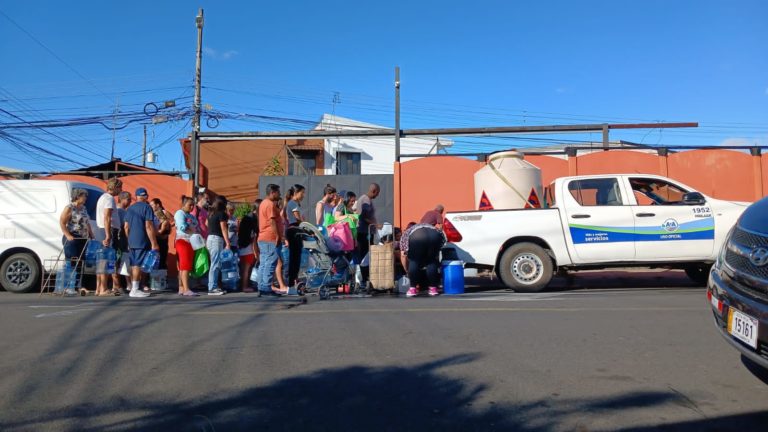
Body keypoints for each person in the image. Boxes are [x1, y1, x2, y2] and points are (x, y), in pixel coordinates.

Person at [123, 187, 159, 298]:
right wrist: (154, 242)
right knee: (138, 265)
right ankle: (134, 289)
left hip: (132, 241)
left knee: (134, 264)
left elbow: (126, 227)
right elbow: (148, 226)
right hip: (141, 240)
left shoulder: (130, 208)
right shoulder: (147, 207)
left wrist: (129, 239)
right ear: (145, 196)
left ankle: (134, 288)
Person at [59, 188, 94, 294]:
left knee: (81, 261)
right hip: (72, 237)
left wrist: (91, 233)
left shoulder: (83, 208)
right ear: (78, 196)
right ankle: (68, 286)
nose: (86, 198)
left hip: (82, 237)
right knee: (72, 260)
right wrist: (68, 235)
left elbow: (86, 222)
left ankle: (79, 286)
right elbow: (62, 222)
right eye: (84, 196)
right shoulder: (69, 208)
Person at [399, 222, 446, 298]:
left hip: (418, 237)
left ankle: (412, 289)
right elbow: (442, 241)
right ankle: (433, 289)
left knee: (414, 261)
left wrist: (406, 270)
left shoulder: (407, 233)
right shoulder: (430, 227)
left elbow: (403, 256)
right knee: (431, 261)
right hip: (436, 235)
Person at [95, 178, 122, 296]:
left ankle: (99, 288)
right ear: (115, 187)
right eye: (120, 187)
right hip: (107, 230)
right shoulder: (109, 199)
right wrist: (108, 235)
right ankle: (103, 289)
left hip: (101, 229)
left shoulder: (102, 197)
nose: (121, 190)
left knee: (101, 260)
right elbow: (107, 217)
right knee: (108, 260)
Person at [257, 184, 284, 297]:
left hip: (264, 238)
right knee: (270, 263)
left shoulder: (264, 203)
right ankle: (266, 288)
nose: (279, 194)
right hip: (269, 238)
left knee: (264, 263)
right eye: (278, 192)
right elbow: (272, 222)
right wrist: (277, 236)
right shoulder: (269, 204)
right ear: (272, 192)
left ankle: (262, 287)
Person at [353, 183, 381, 285]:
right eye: (377, 193)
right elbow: (363, 217)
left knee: (367, 255)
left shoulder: (367, 200)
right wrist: (375, 224)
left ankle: (366, 278)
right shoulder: (365, 200)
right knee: (365, 256)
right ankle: (365, 279)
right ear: (374, 191)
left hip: (368, 232)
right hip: (364, 233)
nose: (377, 195)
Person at [173, 195, 200, 296]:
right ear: (183, 205)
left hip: (191, 241)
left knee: (185, 266)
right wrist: (191, 227)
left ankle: (181, 287)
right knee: (185, 266)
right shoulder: (180, 213)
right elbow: (182, 227)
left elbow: (196, 226)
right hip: (183, 241)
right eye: (190, 205)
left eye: (193, 205)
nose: (192, 207)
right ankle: (186, 289)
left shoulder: (191, 216)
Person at [206, 195, 231, 296]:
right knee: (215, 264)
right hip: (217, 239)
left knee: (215, 263)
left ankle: (214, 286)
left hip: (210, 238)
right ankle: (212, 287)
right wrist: (227, 242)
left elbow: (206, 223)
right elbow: (224, 228)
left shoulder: (211, 213)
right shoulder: (222, 214)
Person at [284, 184, 306, 286]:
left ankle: (293, 279)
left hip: (295, 231)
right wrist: (305, 225)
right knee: (294, 258)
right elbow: (297, 217)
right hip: (294, 232)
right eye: (302, 193)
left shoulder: (293, 203)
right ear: (296, 193)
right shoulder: (293, 203)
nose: (303, 195)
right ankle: (292, 281)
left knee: (295, 257)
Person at [238, 199, 261, 292]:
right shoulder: (252, 219)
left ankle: (243, 285)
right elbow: (253, 237)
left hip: (242, 245)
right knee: (247, 268)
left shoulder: (247, 217)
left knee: (244, 267)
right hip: (248, 246)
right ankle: (245, 286)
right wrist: (256, 252)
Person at [114, 191, 132, 292]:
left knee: (124, 261)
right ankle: (117, 285)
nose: (129, 202)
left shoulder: (123, 211)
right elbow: (124, 227)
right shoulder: (120, 211)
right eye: (128, 199)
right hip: (121, 239)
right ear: (122, 199)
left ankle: (126, 284)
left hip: (123, 240)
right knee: (119, 261)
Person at [149, 198, 172, 271]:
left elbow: (173, 221)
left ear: (157, 205)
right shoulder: (151, 214)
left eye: (152, 205)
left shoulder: (164, 212)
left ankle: (162, 276)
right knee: (154, 258)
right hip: (155, 237)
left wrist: (166, 227)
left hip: (162, 238)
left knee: (162, 257)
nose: (151, 207)